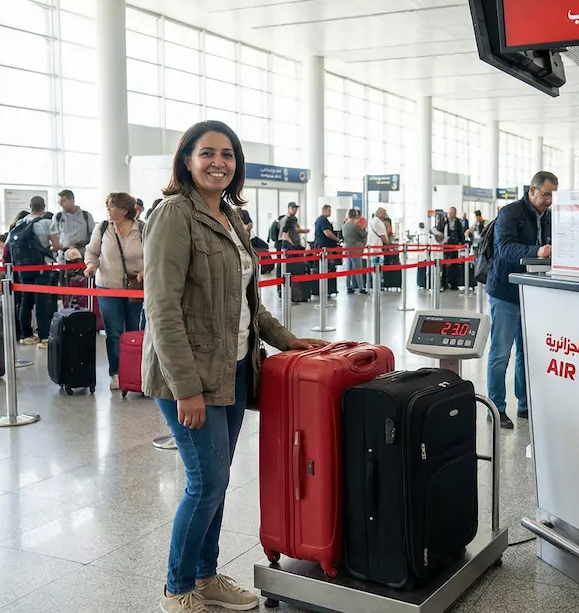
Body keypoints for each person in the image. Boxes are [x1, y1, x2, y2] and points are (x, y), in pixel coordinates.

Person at [142, 120, 324, 613]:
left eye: (227, 154)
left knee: (216, 480)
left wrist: (289, 341)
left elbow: (247, 303)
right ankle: (177, 588)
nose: (218, 162)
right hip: (190, 375)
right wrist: (186, 389)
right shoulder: (172, 215)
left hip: (237, 367)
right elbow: (163, 309)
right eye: (208, 154)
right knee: (206, 483)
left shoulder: (230, 217)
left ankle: (206, 576)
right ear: (187, 160)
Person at [487, 171, 556, 430]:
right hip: (505, 292)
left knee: (526, 352)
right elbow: (504, 248)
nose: (549, 200)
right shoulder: (511, 213)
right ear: (532, 191)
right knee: (500, 352)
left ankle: (525, 404)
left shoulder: (546, 217)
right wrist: (535, 251)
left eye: (552, 195)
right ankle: (496, 408)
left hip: (531, 293)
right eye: (546, 194)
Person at [85, 192, 145, 390]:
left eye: (112, 206)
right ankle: (116, 372)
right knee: (113, 331)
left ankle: (134, 371)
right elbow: (92, 252)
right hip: (108, 286)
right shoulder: (102, 228)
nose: (108, 209)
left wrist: (146, 270)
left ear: (124, 210)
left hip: (134, 288)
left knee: (134, 330)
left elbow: (152, 255)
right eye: (108, 206)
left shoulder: (142, 229)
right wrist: (91, 265)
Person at [12, 196, 56, 348]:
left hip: (23, 266)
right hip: (42, 265)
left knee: (26, 299)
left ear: (30, 206)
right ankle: (44, 336)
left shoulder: (20, 222)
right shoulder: (48, 222)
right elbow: (56, 245)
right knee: (42, 300)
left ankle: (26, 335)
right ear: (43, 207)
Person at [54, 189, 94, 257]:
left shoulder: (86, 216)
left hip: (82, 255)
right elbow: (53, 236)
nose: (61, 204)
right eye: (59, 202)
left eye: (63, 201)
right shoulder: (58, 217)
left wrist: (81, 244)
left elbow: (93, 235)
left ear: (72, 200)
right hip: (64, 256)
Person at [439, 207, 467, 291]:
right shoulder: (444, 221)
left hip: (455, 246)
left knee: (455, 265)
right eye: (449, 213)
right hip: (446, 246)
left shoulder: (458, 222)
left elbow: (461, 233)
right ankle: (444, 284)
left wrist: (462, 243)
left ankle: (454, 284)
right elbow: (438, 229)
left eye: (452, 213)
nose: (450, 214)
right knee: (444, 265)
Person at [342, 208, 368, 293]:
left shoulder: (345, 225)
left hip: (347, 248)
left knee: (349, 268)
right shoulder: (356, 226)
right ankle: (361, 288)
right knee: (358, 269)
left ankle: (348, 286)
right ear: (356, 215)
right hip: (356, 249)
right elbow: (363, 235)